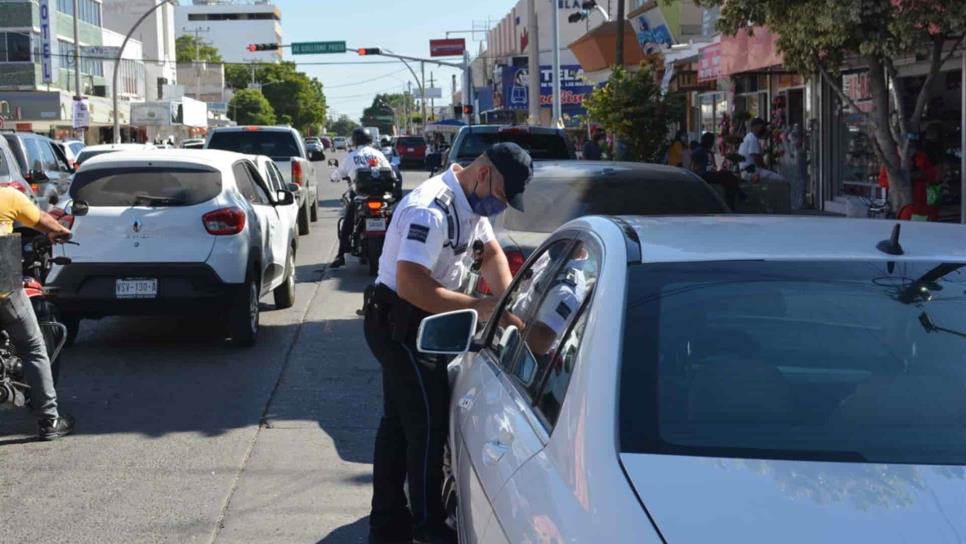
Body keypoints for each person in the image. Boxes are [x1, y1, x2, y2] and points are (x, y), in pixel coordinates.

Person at [363, 142, 532, 544]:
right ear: (484, 173)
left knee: (399, 426)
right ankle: (428, 529)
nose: (499, 206)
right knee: (426, 426)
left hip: (426, 318)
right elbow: (411, 285)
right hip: (400, 322)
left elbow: (491, 251)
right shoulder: (432, 209)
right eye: (501, 196)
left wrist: (505, 303)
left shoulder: (471, 203)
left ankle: (386, 524)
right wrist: (485, 307)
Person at [0, 186, 74, 440]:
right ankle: (49, 420)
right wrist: (62, 231)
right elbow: (44, 221)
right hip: (5, 294)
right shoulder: (7, 197)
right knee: (32, 345)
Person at [330, 127, 392, 268]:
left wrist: (334, 178)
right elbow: (390, 172)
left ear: (354, 140)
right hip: (380, 196)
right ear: (370, 139)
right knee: (392, 221)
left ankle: (341, 255)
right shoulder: (378, 154)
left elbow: (337, 174)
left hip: (360, 195)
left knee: (347, 224)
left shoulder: (351, 156)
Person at [692, 132, 746, 210]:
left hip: (710, 173)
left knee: (729, 175)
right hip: (703, 175)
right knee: (726, 177)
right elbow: (695, 164)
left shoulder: (709, 152)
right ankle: (736, 197)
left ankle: (735, 195)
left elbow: (712, 165)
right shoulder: (700, 151)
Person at [739, 118, 785, 184]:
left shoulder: (749, 137)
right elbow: (756, 159)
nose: (764, 128)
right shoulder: (752, 139)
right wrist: (767, 169)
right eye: (762, 126)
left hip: (749, 171)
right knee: (782, 181)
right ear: (756, 127)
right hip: (752, 172)